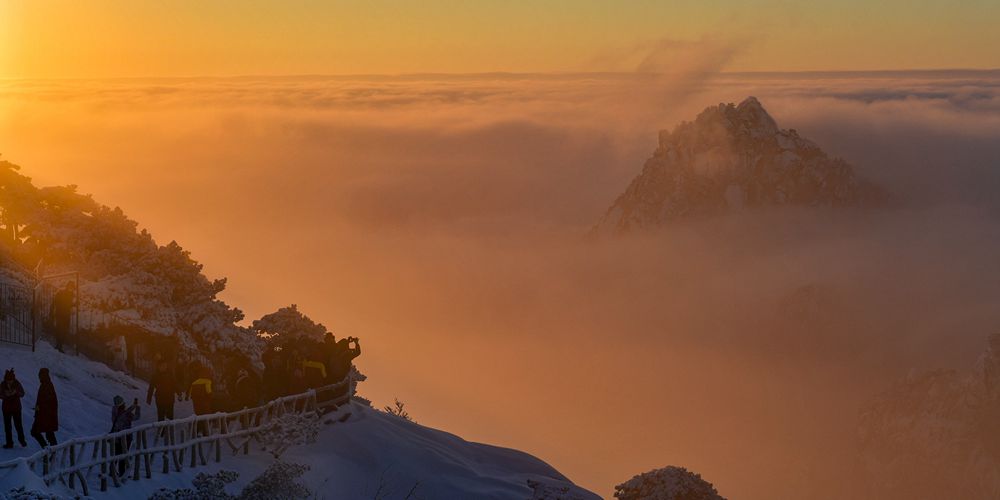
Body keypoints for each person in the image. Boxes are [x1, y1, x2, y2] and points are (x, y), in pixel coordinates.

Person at [110, 395, 140, 477]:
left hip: (116, 436)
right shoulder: (127, 414)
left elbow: (125, 411)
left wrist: (133, 406)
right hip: (126, 437)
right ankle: (122, 473)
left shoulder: (114, 411)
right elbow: (136, 417)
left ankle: (111, 471)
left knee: (115, 454)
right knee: (123, 455)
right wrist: (137, 408)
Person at [328, 337, 361, 404]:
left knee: (333, 392)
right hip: (341, 376)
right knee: (341, 392)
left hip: (331, 375)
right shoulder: (346, 355)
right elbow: (357, 352)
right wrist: (356, 343)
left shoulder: (334, 352)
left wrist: (347, 342)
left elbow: (341, 344)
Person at [30, 368, 58, 448]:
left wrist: (39, 410)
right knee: (49, 434)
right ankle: (50, 451)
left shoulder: (46, 385)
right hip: (46, 415)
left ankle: (48, 450)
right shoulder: (46, 384)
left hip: (45, 415)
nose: (39, 377)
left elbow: (46, 401)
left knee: (35, 432)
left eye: (40, 375)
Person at [0, 369, 27, 448]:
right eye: (8, 380)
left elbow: (22, 393)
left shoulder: (17, 384)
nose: (9, 382)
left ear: (13, 379)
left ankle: (22, 441)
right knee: (7, 427)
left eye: (11, 380)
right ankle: (9, 443)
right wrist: (5, 395)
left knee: (18, 425)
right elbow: (0, 394)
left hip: (16, 408)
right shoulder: (2, 384)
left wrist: (16, 392)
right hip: (6, 409)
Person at [49, 283, 75, 353]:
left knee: (65, 330)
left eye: (72, 288)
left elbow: (68, 305)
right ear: (67, 287)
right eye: (70, 287)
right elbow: (54, 302)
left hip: (66, 315)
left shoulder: (71, 294)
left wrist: (74, 304)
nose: (71, 289)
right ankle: (58, 346)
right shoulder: (60, 293)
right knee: (59, 330)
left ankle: (59, 345)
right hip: (60, 314)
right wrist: (51, 311)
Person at [187, 368, 213, 436]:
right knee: (206, 416)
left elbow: (190, 393)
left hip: (196, 403)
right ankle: (206, 432)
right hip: (205, 402)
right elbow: (208, 391)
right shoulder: (207, 381)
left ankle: (198, 431)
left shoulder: (194, 383)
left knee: (198, 416)